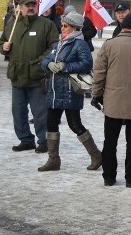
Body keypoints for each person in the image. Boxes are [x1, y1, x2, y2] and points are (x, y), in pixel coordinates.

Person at [91, 11, 131, 187]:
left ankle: (109, 176)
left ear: (123, 26)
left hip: (112, 100)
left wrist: (96, 94)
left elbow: (99, 73)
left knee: (109, 140)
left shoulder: (109, 45)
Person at [38, 12, 100, 172]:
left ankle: (96, 155)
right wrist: (49, 65)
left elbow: (87, 64)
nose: (62, 28)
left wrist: (66, 67)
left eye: (66, 26)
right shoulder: (59, 42)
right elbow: (45, 59)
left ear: (75, 28)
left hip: (70, 91)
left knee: (75, 124)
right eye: (62, 25)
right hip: (53, 90)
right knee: (50, 124)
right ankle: (53, 159)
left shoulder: (80, 44)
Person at [0, 0, 59, 154]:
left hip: (37, 76)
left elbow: (54, 47)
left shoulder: (46, 25)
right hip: (17, 75)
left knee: (39, 112)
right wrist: (3, 47)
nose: (31, 7)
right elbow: (2, 43)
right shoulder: (12, 25)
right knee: (18, 111)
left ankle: (44, 141)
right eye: (27, 5)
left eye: (33, 5)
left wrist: (40, 62)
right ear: (20, 8)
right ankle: (25, 140)